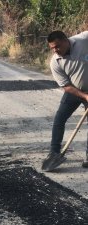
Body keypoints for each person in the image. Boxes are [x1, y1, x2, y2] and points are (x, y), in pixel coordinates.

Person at [44, 30, 88, 168]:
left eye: (57, 46)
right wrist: (85, 96)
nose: (55, 50)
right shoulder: (55, 62)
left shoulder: (83, 39)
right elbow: (67, 87)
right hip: (74, 91)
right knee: (59, 119)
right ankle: (54, 152)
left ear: (65, 40)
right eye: (52, 48)